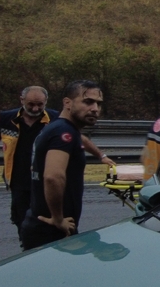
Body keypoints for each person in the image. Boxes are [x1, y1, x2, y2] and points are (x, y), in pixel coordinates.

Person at [0, 86, 113, 237]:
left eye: (40, 105)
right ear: (22, 100)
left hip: (41, 177)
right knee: (23, 220)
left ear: (46, 102)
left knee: (43, 215)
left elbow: (78, 137)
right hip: (18, 178)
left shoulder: (56, 119)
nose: (36, 108)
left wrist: (101, 155)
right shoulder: (7, 118)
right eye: (31, 104)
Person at [19, 80, 103, 250]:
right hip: (51, 230)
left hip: (41, 225)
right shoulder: (64, 133)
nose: (95, 108)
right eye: (87, 102)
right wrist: (58, 218)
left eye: (98, 103)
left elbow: (38, 167)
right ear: (67, 103)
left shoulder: (56, 128)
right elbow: (53, 177)